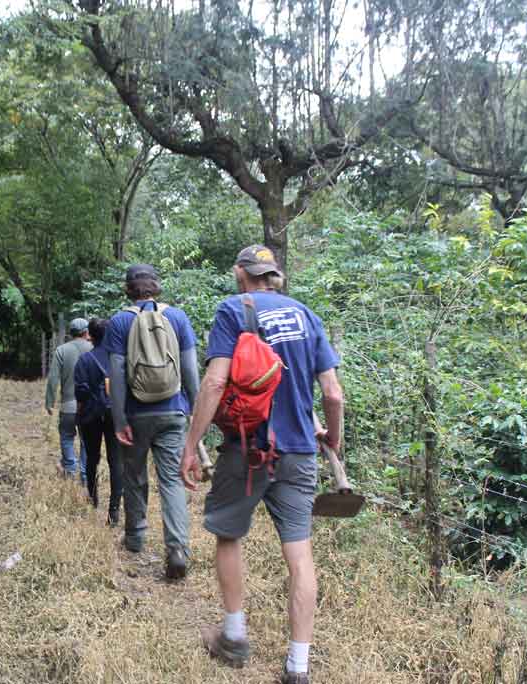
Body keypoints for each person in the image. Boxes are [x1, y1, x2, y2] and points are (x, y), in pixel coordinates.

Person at [180, 245, 344, 684]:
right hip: (301, 454)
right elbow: (332, 394)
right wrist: (333, 436)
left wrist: (192, 444)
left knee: (228, 535)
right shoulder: (308, 315)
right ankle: (298, 667)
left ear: (240, 273)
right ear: (273, 275)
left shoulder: (234, 309)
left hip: (246, 450)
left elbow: (215, 380)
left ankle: (233, 637)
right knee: (300, 557)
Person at [106, 264, 200, 580]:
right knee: (172, 479)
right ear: (156, 287)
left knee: (134, 476)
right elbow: (190, 371)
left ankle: (135, 537)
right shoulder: (178, 318)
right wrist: (195, 411)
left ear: (128, 289)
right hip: (173, 411)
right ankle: (176, 548)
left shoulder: (119, 321)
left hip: (135, 413)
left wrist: (119, 419)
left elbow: (117, 375)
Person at [74, 318, 123, 526]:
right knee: (116, 462)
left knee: (92, 457)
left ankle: (93, 498)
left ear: (90, 336)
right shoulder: (118, 358)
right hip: (115, 414)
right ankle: (114, 511)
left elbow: (80, 391)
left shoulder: (85, 360)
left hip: (91, 415)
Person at [45, 318, 92, 483]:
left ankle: (70, 471)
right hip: (89, 407)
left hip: (68, 405)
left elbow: (53, 379)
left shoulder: (62, 350)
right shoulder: (94, 348)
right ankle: (85, 476)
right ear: (87, 332)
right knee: (87, 441)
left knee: (66, 436)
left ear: (70, 333)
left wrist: (49, 402)